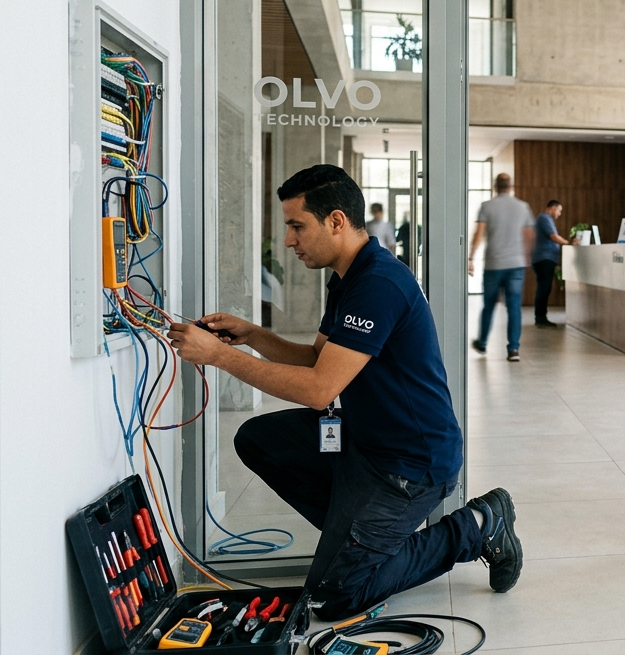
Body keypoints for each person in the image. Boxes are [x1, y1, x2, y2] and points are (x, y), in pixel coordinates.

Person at [167, 164, 523, 620]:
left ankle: (478, 526)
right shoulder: (348, 277)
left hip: (410, 464)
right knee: (256, 439)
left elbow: (319, 390)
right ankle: (355, 534)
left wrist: (219, 358)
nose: (290, 239)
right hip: (364, 443)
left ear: (336, 221)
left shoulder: (378, 283)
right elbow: (319, 359)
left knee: (336, 597)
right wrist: (252, 335)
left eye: (298, 226)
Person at [468, 173, 534, 361]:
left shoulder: (487, 206)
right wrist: (526, 257)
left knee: (488, 305)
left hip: (493, 264)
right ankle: (513, 349)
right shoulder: (523, 207)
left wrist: (471, 257)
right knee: (514, 307)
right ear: (510, 186)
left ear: (495, 186)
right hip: (516, 265)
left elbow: (478, 234)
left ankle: (482, 343)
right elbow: (529, 235)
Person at [532, 200, 575, 328]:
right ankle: (540, 318)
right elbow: (553, 236)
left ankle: (540, 317)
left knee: (544, 288)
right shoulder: (544, 218)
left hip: (544, 258)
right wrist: (568, 243)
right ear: (552, 208)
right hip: (544, 259)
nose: (559, 214)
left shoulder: (544, 218)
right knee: (544, 289)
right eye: (559, 210)